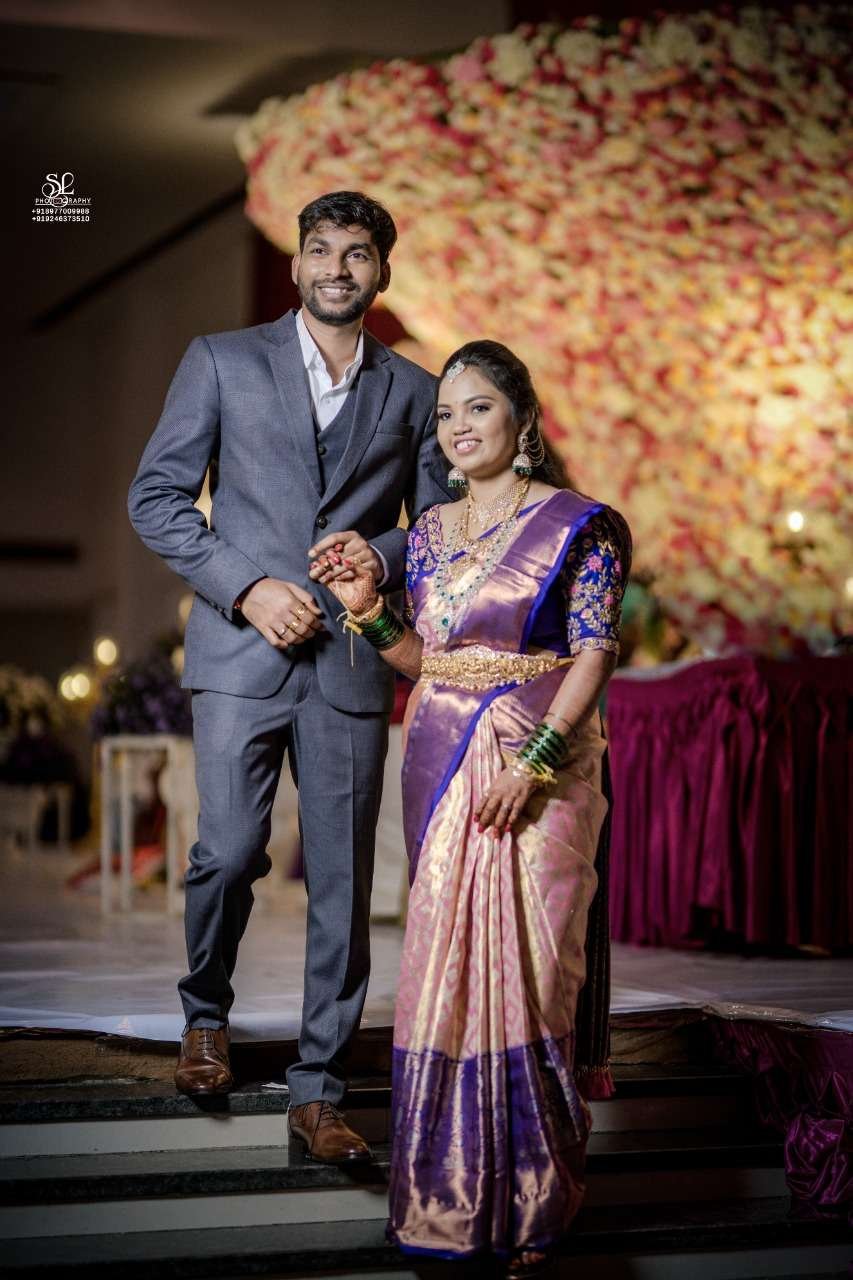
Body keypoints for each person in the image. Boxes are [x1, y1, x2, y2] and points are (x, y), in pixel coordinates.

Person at [128, 191, 450, 1162]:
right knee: (227, 851)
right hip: (240, 653)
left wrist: (378, 558)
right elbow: (156, 496)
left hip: (349, 662)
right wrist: (247, 586)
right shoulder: (221, 360)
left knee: (341, 882)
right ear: (299, 261)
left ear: (382, 271)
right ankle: (204, 1016)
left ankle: (320, 1090)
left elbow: (437, 527)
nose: (336, 268)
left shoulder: (415, 390)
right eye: (320, 249)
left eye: (357, 253)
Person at [314, 340, 630, 1274]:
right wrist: (367, 608)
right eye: (446, 412)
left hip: (538, 764)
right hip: (442, 759)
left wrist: (534, 760)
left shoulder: (580, 525)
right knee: (443, 975)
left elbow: (594, 652)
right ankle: (446, 1201)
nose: (458, 426)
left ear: (522, 421)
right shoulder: (426, 532)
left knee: (531, 971)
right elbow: (427, 661)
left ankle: (531, 1204)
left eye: (478, 407)